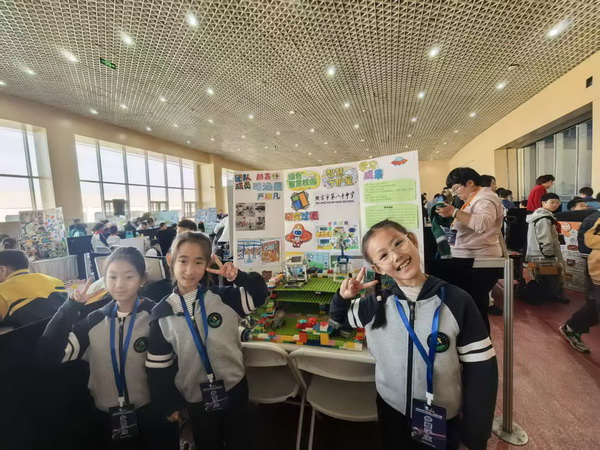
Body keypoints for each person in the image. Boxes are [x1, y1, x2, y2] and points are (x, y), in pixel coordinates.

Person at [330, 220, 497, 450]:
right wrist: (342, 298)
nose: (396, 255)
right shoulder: (376, 305)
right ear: (379, 269)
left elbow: (482, 371)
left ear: (413, 240)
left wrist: (475, 436)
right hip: (392, 412)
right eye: (384, 255)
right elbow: (337, 320)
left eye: (398, 243)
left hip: (442, 417)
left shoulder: (457, 301)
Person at [38, 247, 178, 449]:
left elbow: (175, 362)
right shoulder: (94, 320)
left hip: (150, 414)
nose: (119, 284)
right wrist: (71, 306)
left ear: (142, 279)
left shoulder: (155, 315)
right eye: (112, 277)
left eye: (128, 277)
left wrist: (172, 404)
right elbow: (49, 354)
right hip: (106, 418)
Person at [145, 231, 269, 450]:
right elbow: (158, 367)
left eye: (198, 262)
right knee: (206, 443)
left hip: (234, 388)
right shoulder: (161, 313)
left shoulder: (224, 298)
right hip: (195, 396)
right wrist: (170, 403)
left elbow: (260, 294)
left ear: (207, 265)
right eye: (183, 261)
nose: (190, 270)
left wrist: (237, 277)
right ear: (170, 260)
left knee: (240, 441)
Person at [437, 167, 503, 331]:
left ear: (470, 183)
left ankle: (479, 340)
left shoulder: (484, 199)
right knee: (471, 305)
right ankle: (475, 338)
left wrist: (454, 212)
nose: (456, 193)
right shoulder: (474, 199)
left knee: (474, 306)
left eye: (456, 188)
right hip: (469, 258)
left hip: (478, 261)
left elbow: (482, 224)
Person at [561, 212, 600, 352]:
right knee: (595, 305)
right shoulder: (594, 220)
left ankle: (573, 327)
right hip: (597, 269)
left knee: (595, 304)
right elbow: (589, 241)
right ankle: (573, 327)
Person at [0, 250, 67, 327]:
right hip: (67, 330)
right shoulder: (54, 280)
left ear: (2, 270)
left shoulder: (2, 290)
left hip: (32, 333)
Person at [525, 193, 568, 304]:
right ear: (543, 203)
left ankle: (544, 294)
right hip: (544, 253)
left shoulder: (538, 216)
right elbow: (545, 237)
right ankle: (554, 294)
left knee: (542, 274)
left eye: (557, 203)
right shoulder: (544, 218)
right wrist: (549, 253)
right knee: (553, 273)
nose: (555, 205)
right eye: (552, 202)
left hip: (537, 251)